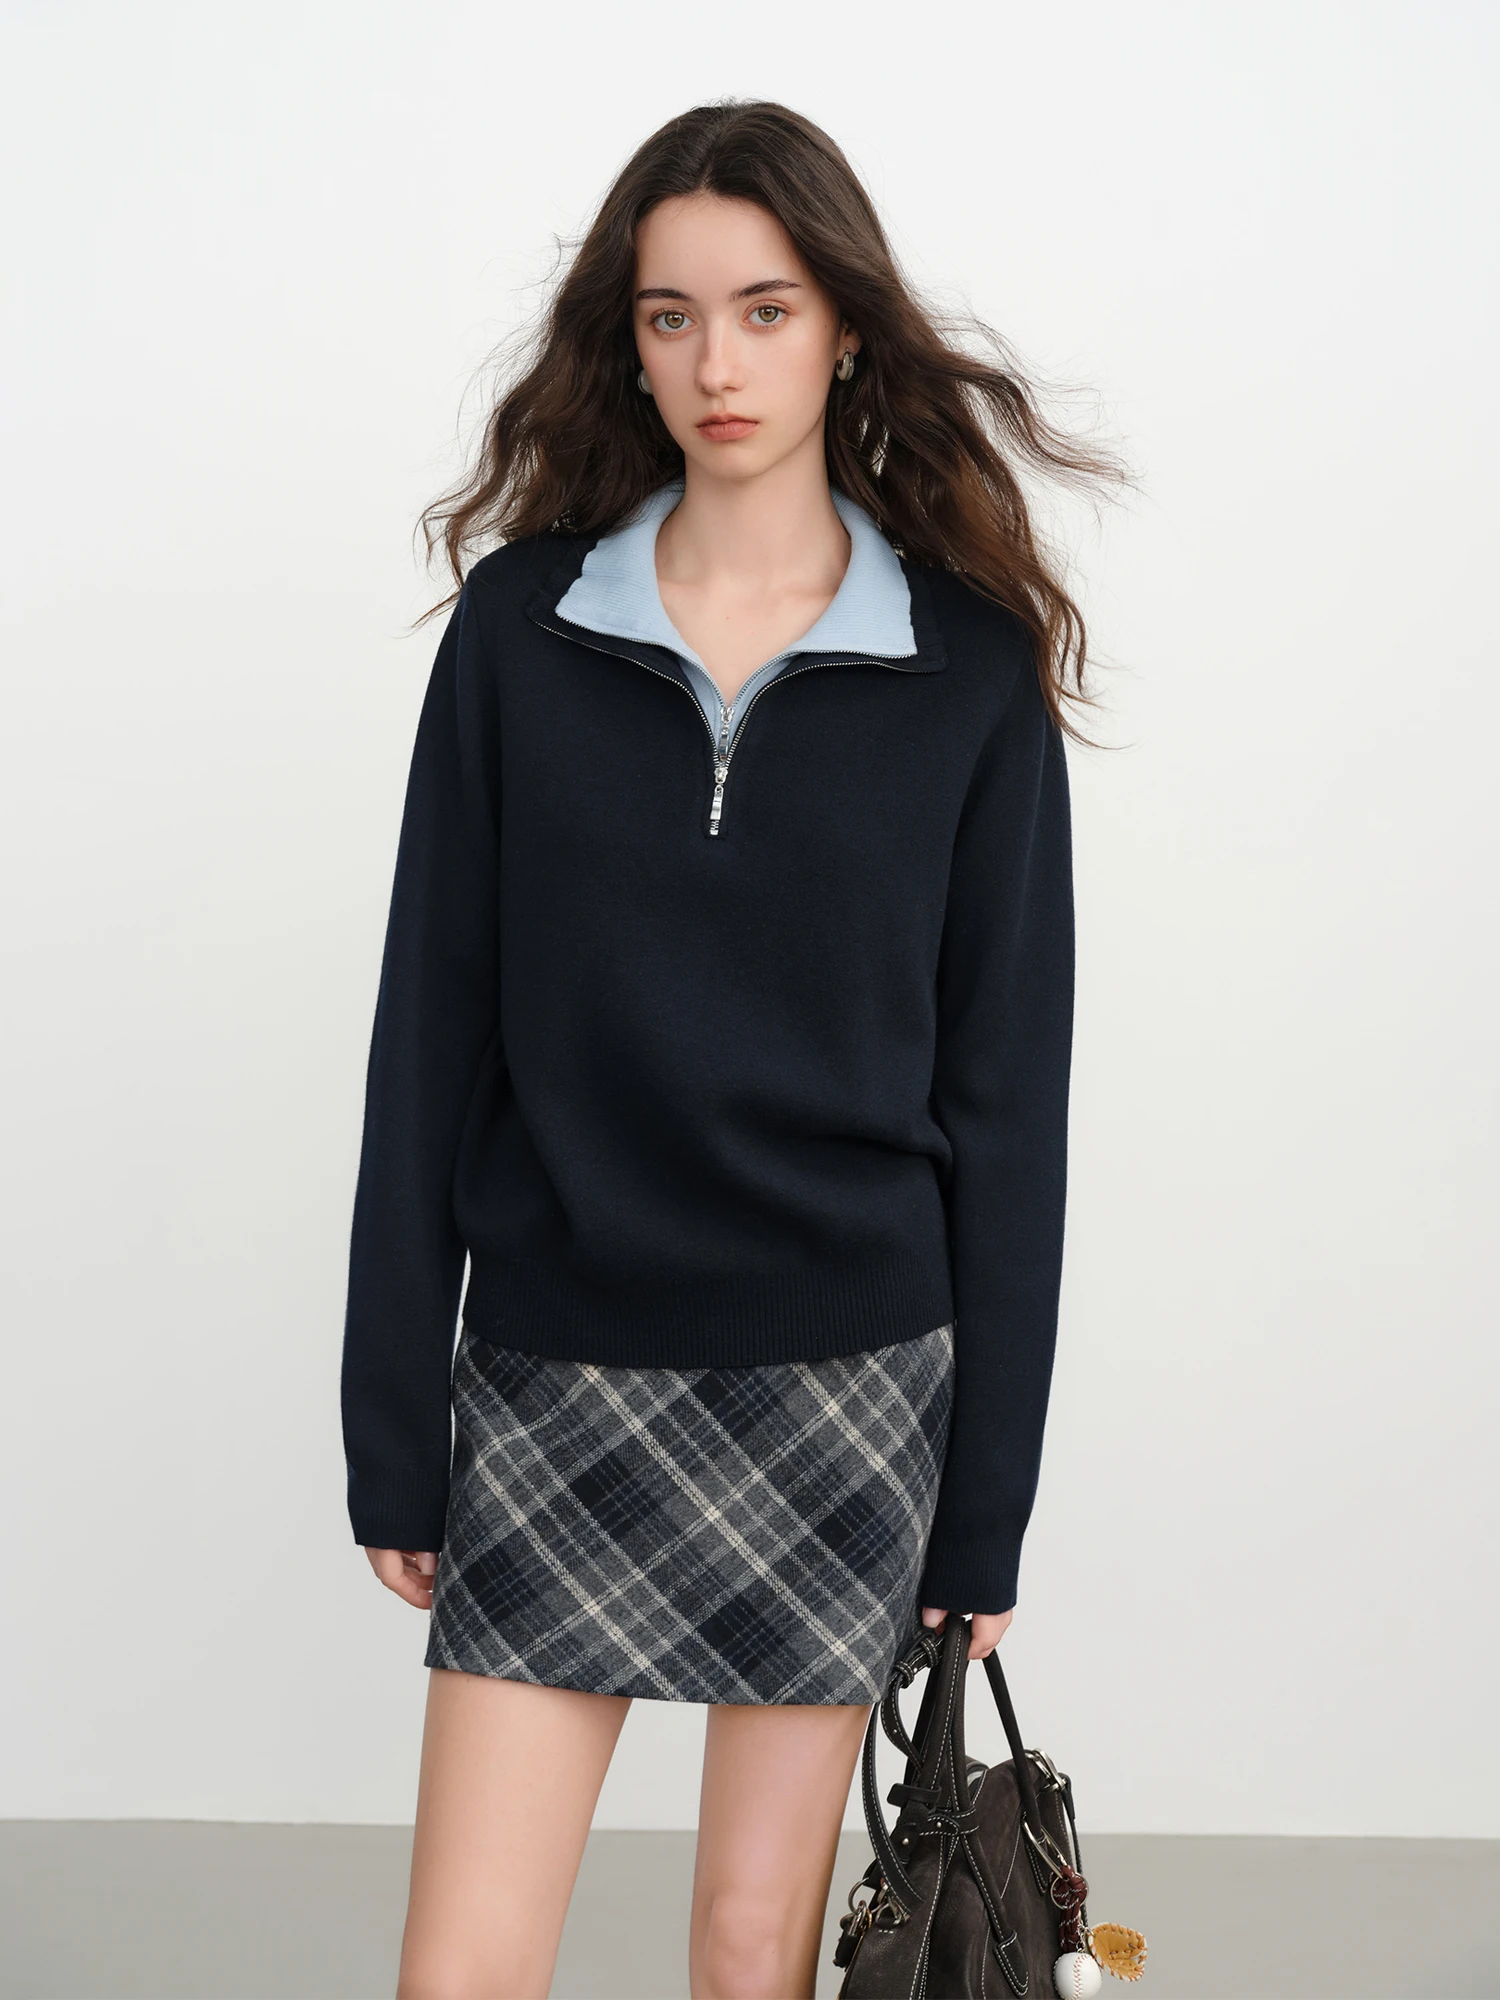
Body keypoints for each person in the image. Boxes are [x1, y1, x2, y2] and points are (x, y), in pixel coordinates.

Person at [339, 96, 1125, 2000]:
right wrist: (392, 1423)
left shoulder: (965, 669)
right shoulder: (522, 631)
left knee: (751, 1950)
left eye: (766, 311)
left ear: (844, 329)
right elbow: (426, 1032)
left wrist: (987, 1503)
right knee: (462, 1965)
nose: (718, 363)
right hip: (555, 1365)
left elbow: (1008, 1111)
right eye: (671, 316)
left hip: (849, 1390)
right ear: (627, 342)